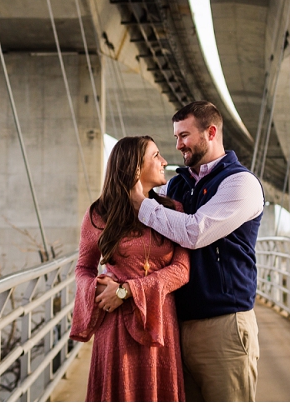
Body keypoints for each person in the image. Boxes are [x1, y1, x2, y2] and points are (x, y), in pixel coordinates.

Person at [131, 101, 265, 402]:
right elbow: (134, 197)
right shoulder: (179, 185)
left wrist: (143, 204)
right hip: (176, 326)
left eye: (184, 136)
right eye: (176, 136)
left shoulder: (240, 183)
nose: (178, 145)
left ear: (211, 132)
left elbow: (195, 232)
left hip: (224, 328)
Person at [70, 136, 190, 402]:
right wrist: (97, 287)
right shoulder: (99, 214)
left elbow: (182, 269)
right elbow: (83, 268)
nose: (164, 161)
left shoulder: (172, 209)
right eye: (156, 155)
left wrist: (127, 290)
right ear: (136, 167)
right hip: (115, 329)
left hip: (159, 323)